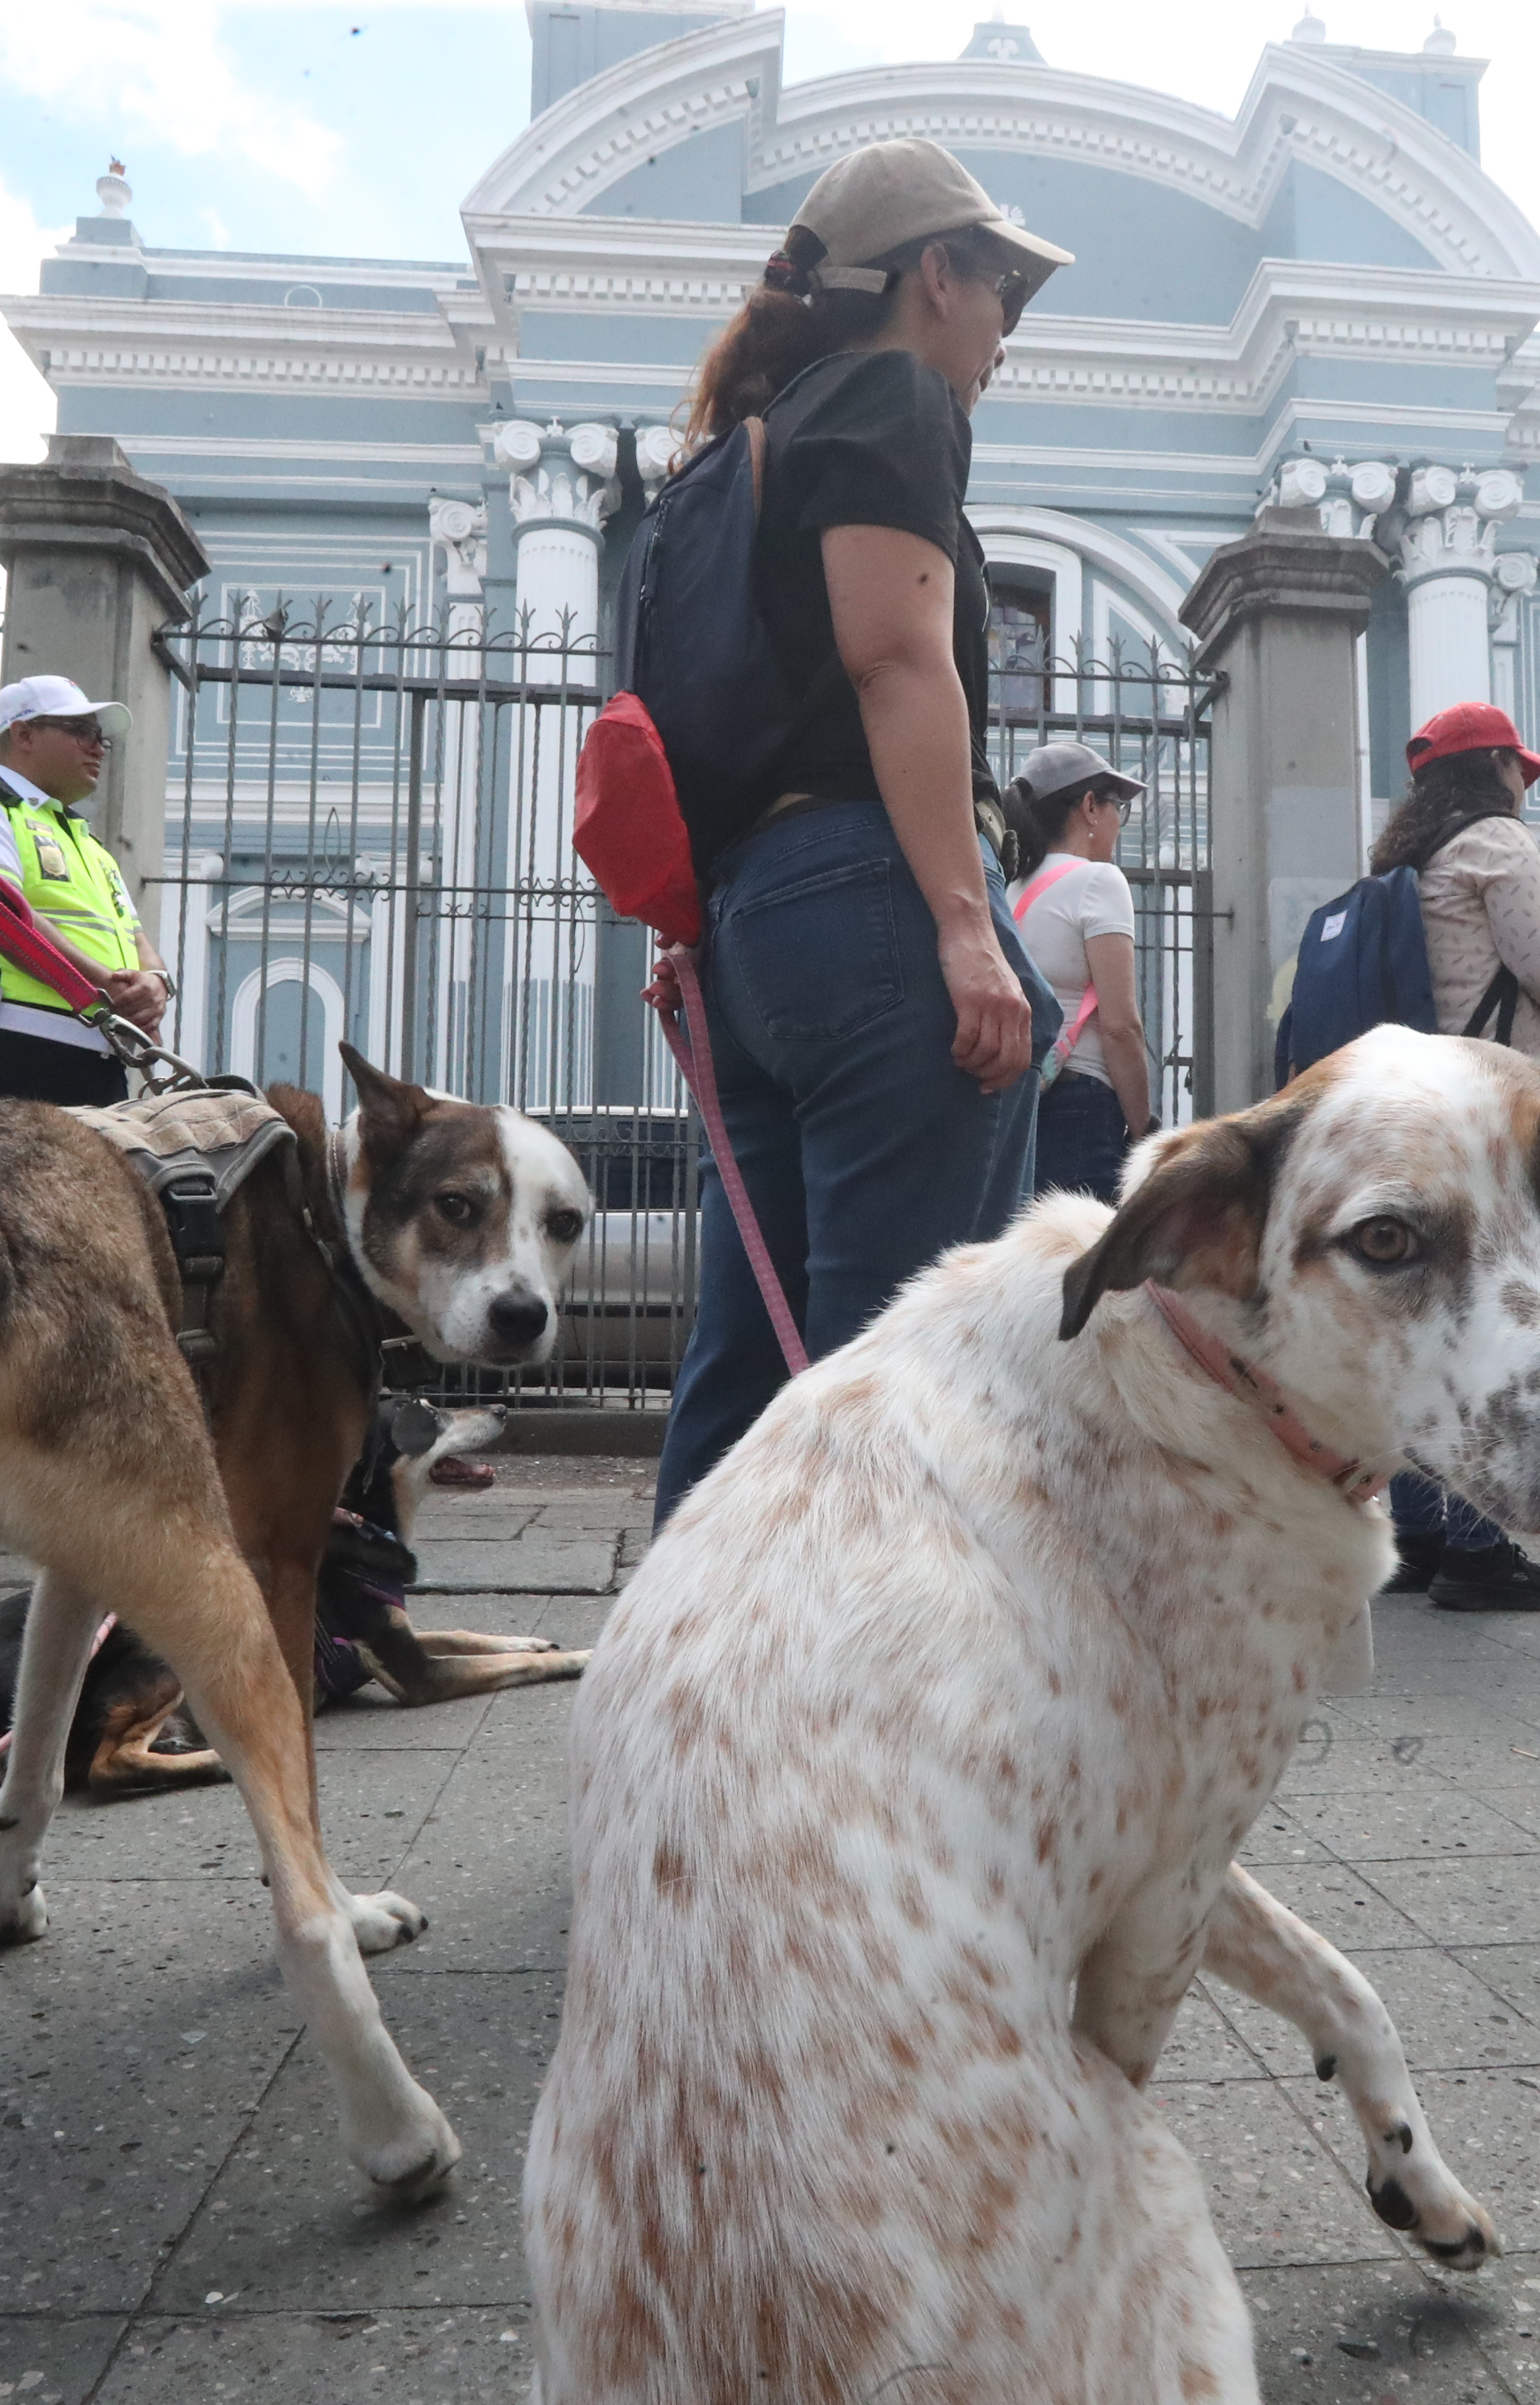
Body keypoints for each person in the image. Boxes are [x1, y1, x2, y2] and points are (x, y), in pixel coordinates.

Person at [649, 138, 1067, 1522]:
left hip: (754, 928)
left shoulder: (746, 443)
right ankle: (861, 1703)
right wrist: (965, 919)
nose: (1008, 332)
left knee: (750, 1353)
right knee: (901, 1360)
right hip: (871, 899)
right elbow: (900, 662)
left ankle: (685, 1703)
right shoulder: (894, 392)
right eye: (1005, 291)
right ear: (939, 274)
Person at [1372, 702, 1540, 1610]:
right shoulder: (1499, 845)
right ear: (1497, 766)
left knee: (1426, 1316)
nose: (1526, 787)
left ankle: (1419, 1533)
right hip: (1491, 1101)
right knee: (1498, 1314)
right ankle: (1479, 1547)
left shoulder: (1404, 858)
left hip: (1412, 1102)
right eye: (1521, 769)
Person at [0, 674, 170, 1104]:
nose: (98, 747)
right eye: (81, 732)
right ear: (24, 734)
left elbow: (138, 939)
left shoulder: (88, 844)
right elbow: (2, 916)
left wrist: (157, 983)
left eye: (101, 738)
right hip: (9, 1052)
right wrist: (108, 988)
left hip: (101, 1063)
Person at [1001, 740, 1152, 1202]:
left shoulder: (1010, 889)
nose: (1116, 824)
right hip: (1082, 1108)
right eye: (1116, 808)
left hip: (1018, 1108)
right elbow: (1121, 1027)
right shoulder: (1098, 882)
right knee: (1084, 1263)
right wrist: (1145, 1131)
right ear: (1089, 806)